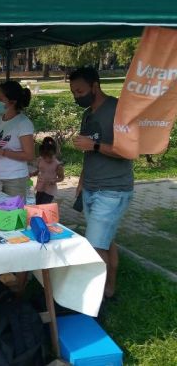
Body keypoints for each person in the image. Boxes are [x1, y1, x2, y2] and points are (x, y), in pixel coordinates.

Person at [69, 67, 133, 300]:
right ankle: (109, 290)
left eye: (80, 91)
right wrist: (82, 180)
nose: (77, 96)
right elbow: (89, 152)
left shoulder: (117, 110)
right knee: (105, 241)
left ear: (95, 86)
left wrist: (94, 145)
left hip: (113, 190)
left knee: (95, 247)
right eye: (73, 92)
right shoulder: (88, 114)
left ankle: (93, 300)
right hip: (91, 187)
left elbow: (128, 151)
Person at [0, 81, 35, 198]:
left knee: (13, 214)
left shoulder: (23, 123)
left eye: (1, 99)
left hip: (15, 180)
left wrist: (2, 152)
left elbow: (29, 155)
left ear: (12, 101)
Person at [34, 137, 64, 204]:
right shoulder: (40, 160)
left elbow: (61, 178)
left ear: (54, 154)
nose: (48, 159)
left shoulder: (58, 165)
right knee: (37, 204)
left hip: (50, 190)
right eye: (45, 157)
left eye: (50, 157)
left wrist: (55, 180)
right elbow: (39, 170)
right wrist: (32, 174)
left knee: (44, 206)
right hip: (40, 187)